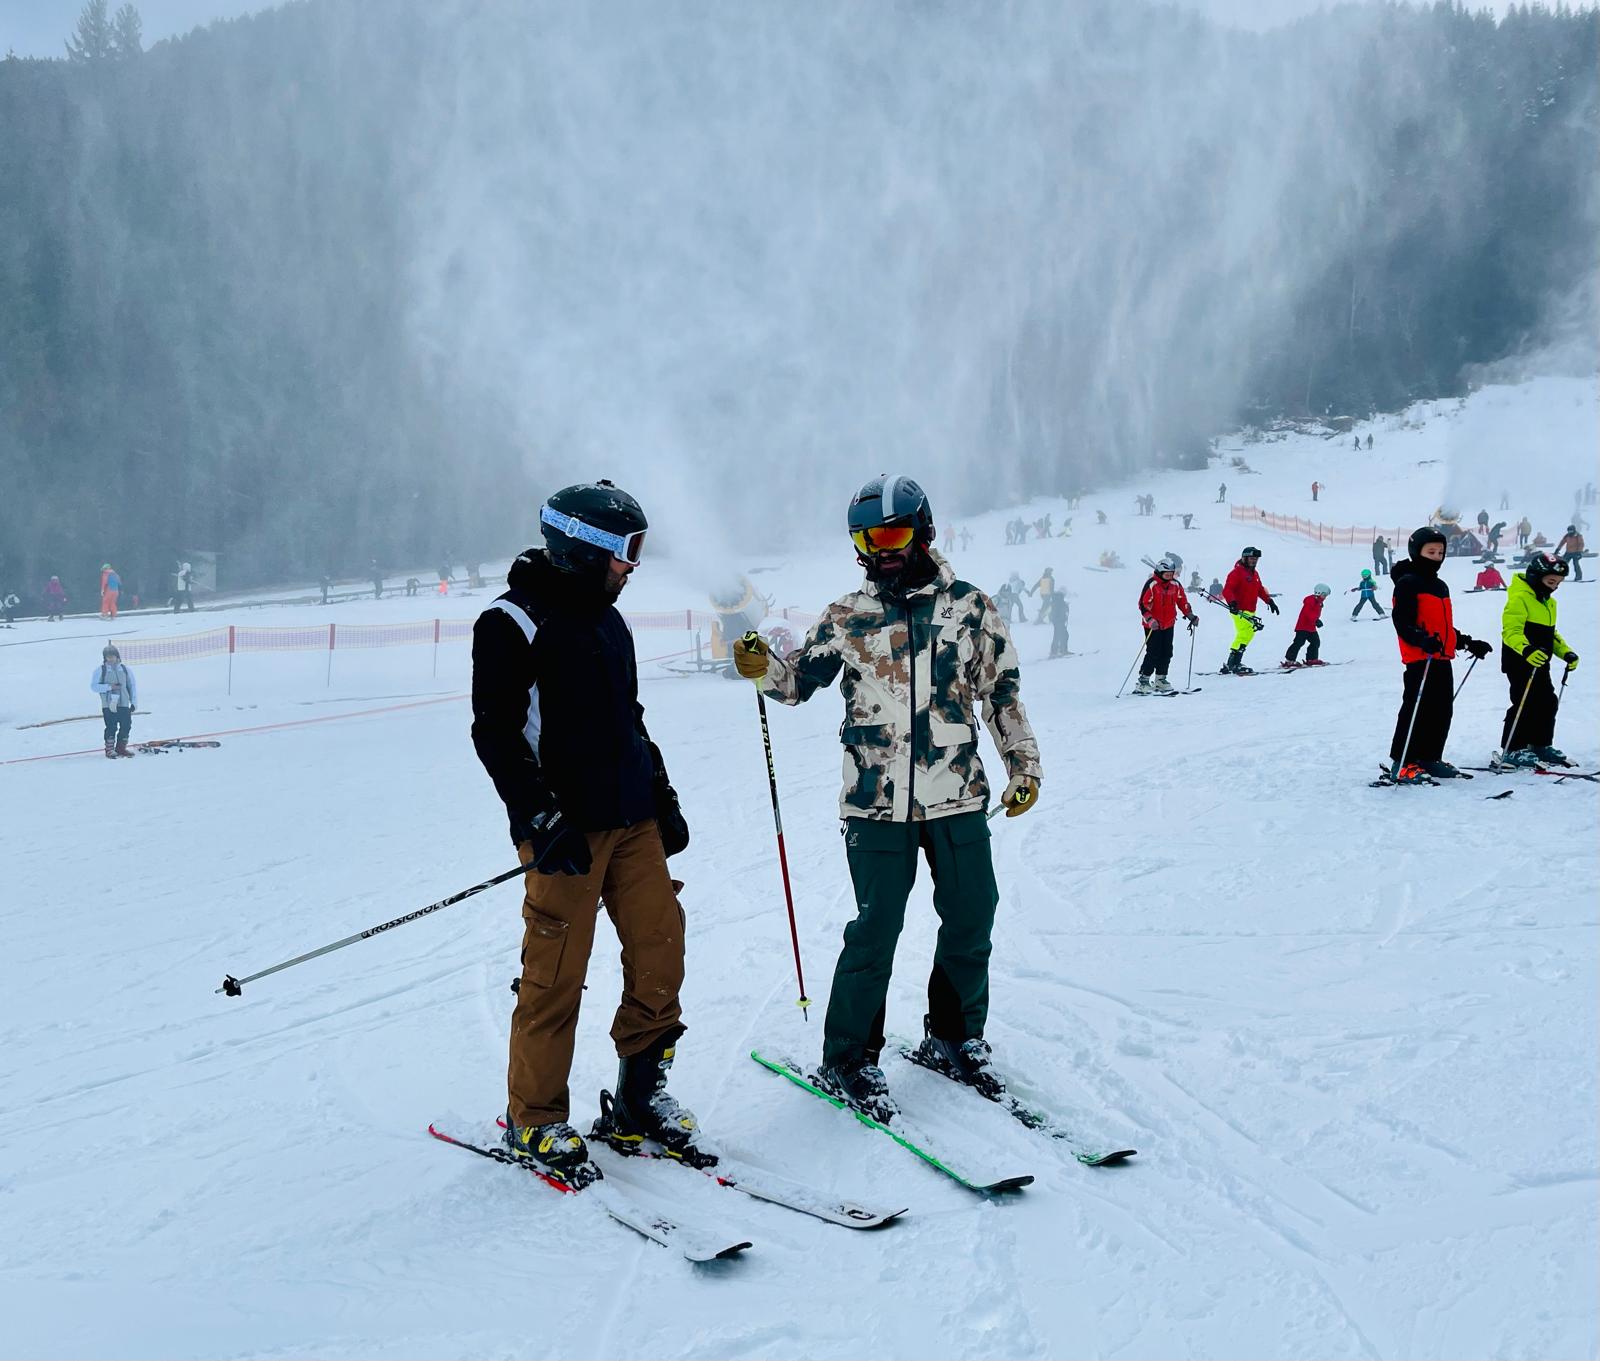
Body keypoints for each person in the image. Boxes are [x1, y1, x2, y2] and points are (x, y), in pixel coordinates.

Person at [732, 474, 1041, 1120]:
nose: (885, 549)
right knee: (876, 926)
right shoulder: (849, 616)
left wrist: (1023, 766)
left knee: (972, 913)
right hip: (874, 804)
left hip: (956, 794)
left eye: (896, 533)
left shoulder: (970, 608)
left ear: (924, 530)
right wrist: (760, 662)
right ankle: (849, 1056)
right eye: (871, 539)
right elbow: (795, 686)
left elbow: (1001, 694)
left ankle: (954, 1038)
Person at [470, 479, 698, 1187]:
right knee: (555, 976)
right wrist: (539, 817)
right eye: (625, 551)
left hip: (631, 822)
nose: (632, 565)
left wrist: (660, 797)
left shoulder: (608, 620)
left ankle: (637, 1099)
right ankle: (533, 1119)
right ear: (585, 547)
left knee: (661, 950)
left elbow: (629, 719)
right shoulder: (512, 622)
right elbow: (497, 736)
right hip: (565, 831)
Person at [1385, 527, 1492, 781]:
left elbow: (1442, 627)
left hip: (1441, 658)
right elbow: (1402, 621)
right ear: (1416, 552)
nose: (1436, 556)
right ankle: (1403, 763)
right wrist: (1422, 640)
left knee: (1441, 710)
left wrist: (1466, 643)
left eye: (1440, 552)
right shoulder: (1407, 583)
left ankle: (1429, 757)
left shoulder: (1440, 586)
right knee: (1417, 710)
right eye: (1430, 551)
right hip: (1420, 659)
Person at [1497, 552, 1578, 766]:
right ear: (1536, 576)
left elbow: (1551, 635)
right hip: (1519, 660)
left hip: (1540, 662)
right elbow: (1510, 632)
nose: (1554, 587)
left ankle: (1539, 744)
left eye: (1558, 584)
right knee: (1525, 701)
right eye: (1551, 582)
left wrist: (1565, 652)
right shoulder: (1520, 598)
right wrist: (1527, 650)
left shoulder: (1548, 603)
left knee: (1547, 701)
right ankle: (1513, 749)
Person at [1134, 557, 1197, 694]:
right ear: (1160, 572)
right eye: (1166, 574)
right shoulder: (1152, 584)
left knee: (1167, 651)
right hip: (1153, 625)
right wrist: (1150, 619)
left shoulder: (1175, 585)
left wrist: (1190, 615)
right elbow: (1143, 604)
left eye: (1171, 574)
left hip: (1168, 623)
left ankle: (1160, 679)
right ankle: (1143, 681)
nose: (1169, 576)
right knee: (1153, 652)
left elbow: (1182, 602)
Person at [1220, 546, 1277, 674]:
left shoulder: (1254, 574)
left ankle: (1233, 662)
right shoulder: (1236, 573)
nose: (1254, 561)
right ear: (1244, 558)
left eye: (1256, 559)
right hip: (1239, 609)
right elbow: (1227, 590)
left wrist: (1269, 601)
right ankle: (1233, 663)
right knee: (1245, 633)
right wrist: (1232, 603)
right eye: (1251, 558)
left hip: (1251, 609)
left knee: (1249, 633)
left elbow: (1260, 589)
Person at [91, 643, 138, 758]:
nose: (111, 658)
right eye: (108, 656)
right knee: (111, 726)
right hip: (109, 705)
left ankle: (121, 748)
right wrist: (109, 687)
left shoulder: (125, 669)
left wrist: (134, 702)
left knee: (126, 725)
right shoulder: (101, 670)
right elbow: (94, 686)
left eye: (112, 656)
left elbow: (131, 686)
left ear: (117, 656)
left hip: (124, 704)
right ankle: (109, 749)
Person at [1284, 585, 1330, 666]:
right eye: (1324, 595)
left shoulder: (1319, 602)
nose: (1325, 597)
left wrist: (1315, 621)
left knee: (1315, 642)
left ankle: (1312, 659)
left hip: (1311, 627)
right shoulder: (1310, 600)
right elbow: (1308, 612)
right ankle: (1289, 660)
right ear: (1319, 593)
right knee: (1299, 642)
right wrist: (1316, 620)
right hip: (1303, 626)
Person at [1047, 591, 1070, 659]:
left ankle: (1058, 650)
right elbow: (1062, 611)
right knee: (1061, 636)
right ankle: (1059, 651)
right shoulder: (1060, 603)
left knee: (1060, 635)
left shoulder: (1055, 602)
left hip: (1057, 621)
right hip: (1059, 621)